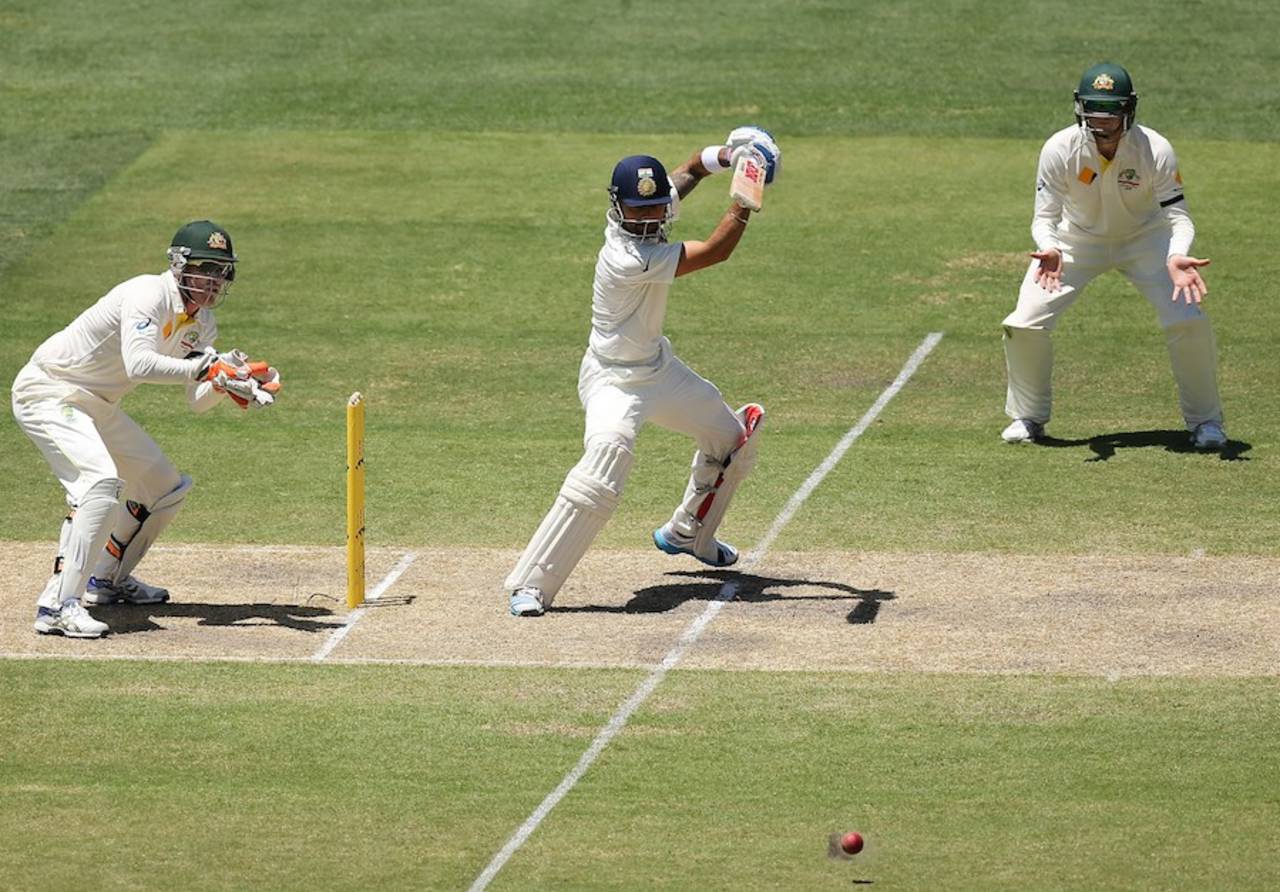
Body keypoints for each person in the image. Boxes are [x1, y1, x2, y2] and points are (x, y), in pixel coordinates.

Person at [504, 127, 782, 617]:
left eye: (656, 208)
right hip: (612, 380)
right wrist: (745, 195)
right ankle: (531, 584)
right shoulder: (626, 256)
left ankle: (690, 534)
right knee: (605, 465)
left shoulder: (648, 209)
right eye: (639, 209)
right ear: (617, 208)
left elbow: (691, 170)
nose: (651, 217)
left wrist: (732, 153)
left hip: (658, 369)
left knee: (731, 440)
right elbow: (717, 251)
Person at [11, 220, 281, 638]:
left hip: (97, 405)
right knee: (99, 483)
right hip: (51, 392)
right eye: (204, 269)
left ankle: (106, 579)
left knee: (164, 486)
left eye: (220, 272)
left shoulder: (203, 323)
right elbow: (140, 364)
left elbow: (196, 401)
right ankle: (57, 605)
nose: (212, 281)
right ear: (178, 266)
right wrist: (207, 368)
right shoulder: (146, 294)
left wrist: (229, 381)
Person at [1001, 62, 1227, 449]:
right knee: (1024, 323)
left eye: (1110, 117)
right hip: (1076, 242)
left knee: (1188, 319)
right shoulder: (1059, 148)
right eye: (1093, 116)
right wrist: (1051, 247)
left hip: (1146, 240)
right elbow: (1044, 216)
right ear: (1079, 109)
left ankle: (1207, 423)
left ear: (1129, 111)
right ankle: (1029, 417)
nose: (1101, 127)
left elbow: (1178, 216)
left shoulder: (1155, 149)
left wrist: (1176, 255)